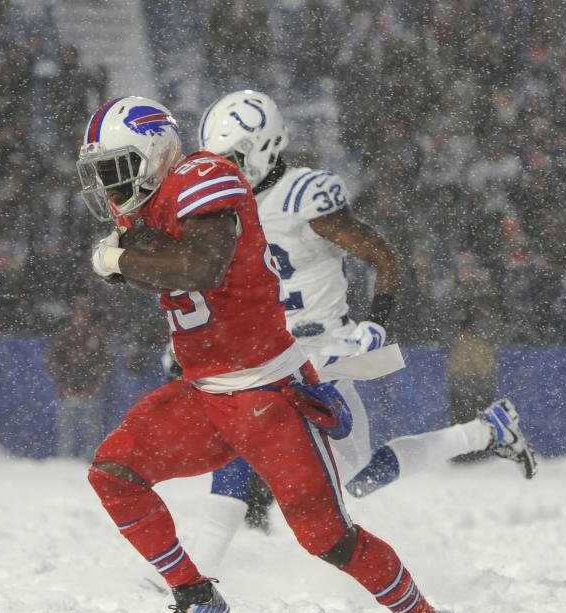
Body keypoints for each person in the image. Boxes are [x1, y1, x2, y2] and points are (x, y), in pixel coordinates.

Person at [76, 96, 478, 613]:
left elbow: (205, 266)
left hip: (267, 390)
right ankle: (194, 594)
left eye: (115, 166)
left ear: (156, 152)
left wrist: (122, 259)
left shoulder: (205, 177)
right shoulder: (152, 198)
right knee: (114, 474)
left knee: (326, 537)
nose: (108, 183)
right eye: (102, 170)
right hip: (206, 390)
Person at [190, 89, 535, 561]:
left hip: (321, 350)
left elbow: (383, 257)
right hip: (271, 352)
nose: (224, 171)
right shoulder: (225, 208)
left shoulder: (303, 195)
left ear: (265, 145)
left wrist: (375, 324)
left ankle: (194, 577)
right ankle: (194, 578)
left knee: (353, 477)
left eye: (233, 158)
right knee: (252, 447)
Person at [44, 297, 111, 460]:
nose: (81, 316)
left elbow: (106, 363)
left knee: (91, 432)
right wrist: (63, 382)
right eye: (79, 312)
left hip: (90, 391)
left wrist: (94, 382)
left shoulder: (97, 336)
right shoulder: (65, 337)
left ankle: (91, 460)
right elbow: (52, 363)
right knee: (67, 432)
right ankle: (65, 462)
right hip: (68, 391)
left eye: (85, 313)